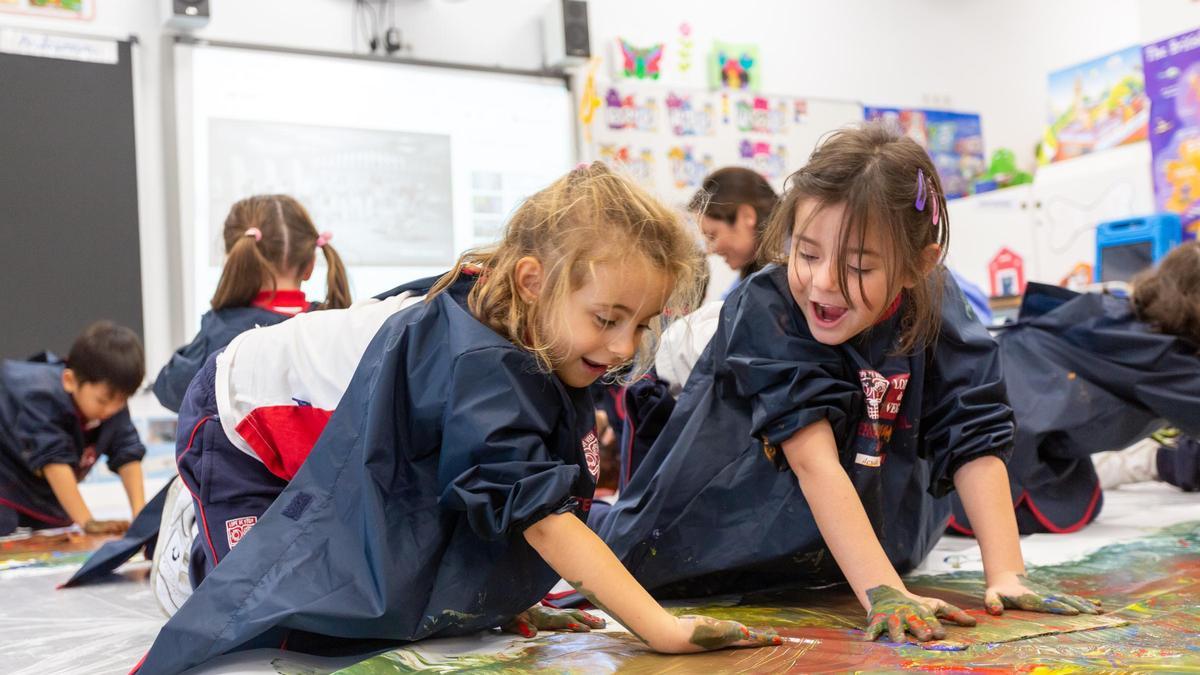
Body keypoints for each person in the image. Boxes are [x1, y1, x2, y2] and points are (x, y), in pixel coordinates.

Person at [132, 163, 779, 675]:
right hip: (235, 414)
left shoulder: (541, 324)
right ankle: (181, 543)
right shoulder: (479, 358)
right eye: (609, 320)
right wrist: (660, 628)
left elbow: (486, 493)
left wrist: (506, 599)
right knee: (273, 601)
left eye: (638, 326)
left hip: (341, 414)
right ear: (531, 280)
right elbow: (540, 518)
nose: (619, 347)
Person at [593, 124, 1098, 645]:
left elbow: (973, 430)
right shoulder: (768, 306)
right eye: (807, 254)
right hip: (709, 547)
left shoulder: (935, 301)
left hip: (854, 555)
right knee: (605, 539)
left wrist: (1007, 575)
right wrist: (881, 589)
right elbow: (813, 461)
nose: (823, 282)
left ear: (917, 265)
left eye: (858, 266)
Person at [950, 241, 1200, 535]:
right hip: (994, 455)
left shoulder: (1118, 316)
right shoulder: (1160, 356)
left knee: (1085, 502)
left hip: (978, 427)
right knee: (1067, 508)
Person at [152, 194, 350, 413]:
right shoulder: (339, 326)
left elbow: (170, 389)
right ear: (310, 265)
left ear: (237, 262)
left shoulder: (220, 330)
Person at [0, 322, 146, 536]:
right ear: (69, 381)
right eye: (103, 400)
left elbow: (127, 453)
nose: (112, 410)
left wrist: (141, 516)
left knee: (60, 532)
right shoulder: (40, 397)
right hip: (6, 473)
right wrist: (88, 523)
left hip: (38, 488)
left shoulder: (113, 405)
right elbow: (53, 461)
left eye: (122, 401)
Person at [690, 166, 779, 296]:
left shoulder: (788, 271)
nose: (710, 251)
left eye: (712, 236)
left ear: (747, 216)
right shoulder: (752, 273)